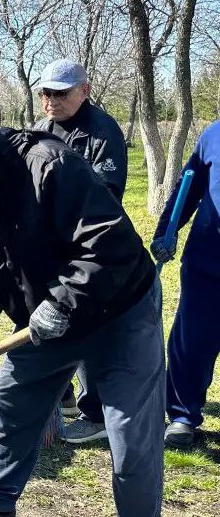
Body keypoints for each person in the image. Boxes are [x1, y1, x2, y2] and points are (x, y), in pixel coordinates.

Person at [0, 102, 164, 517]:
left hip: (120, 311)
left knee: (130, 441)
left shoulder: (49, 166)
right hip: (49, 320)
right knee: (11, 403)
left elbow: (108, 243)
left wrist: (61, 302)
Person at [32, 59, 129, 439]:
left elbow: (105, 196)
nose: (52, 100)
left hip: (90, 245)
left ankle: (96, 413)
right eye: (46, 93)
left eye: (62, 92)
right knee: (48, 316)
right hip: (50, 243)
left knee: (87, 320)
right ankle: (64, 396)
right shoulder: (40, 130)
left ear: (84, 90)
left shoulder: (103, 132)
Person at [149, 120, 220, 448]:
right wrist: (167, 229)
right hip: (208, 258)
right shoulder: (213, 135)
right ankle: (182, 416)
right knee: (191, 341)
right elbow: (188, 187)